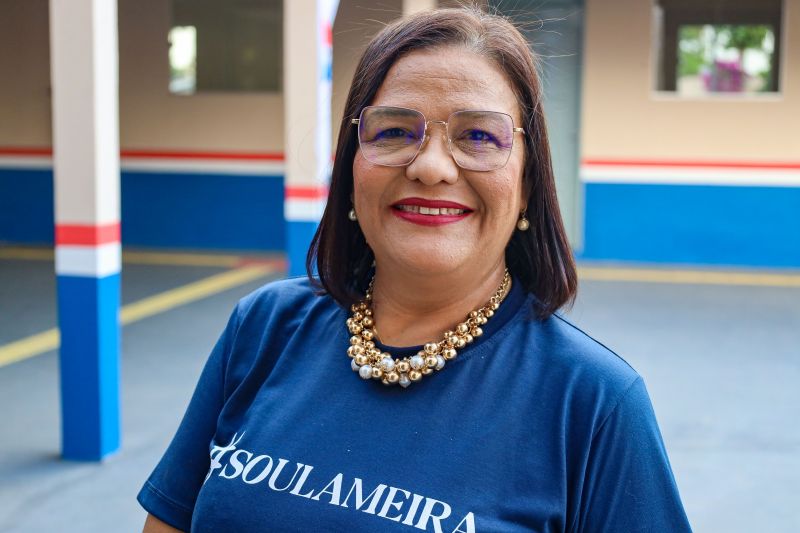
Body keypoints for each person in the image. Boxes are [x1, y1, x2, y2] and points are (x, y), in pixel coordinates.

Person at [139, 6, 692, 533]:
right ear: (352, 168)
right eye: (394, 131)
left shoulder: (592, 400)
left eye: (479, 136)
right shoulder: (265, 327)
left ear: (527, 185)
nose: (430, 166)